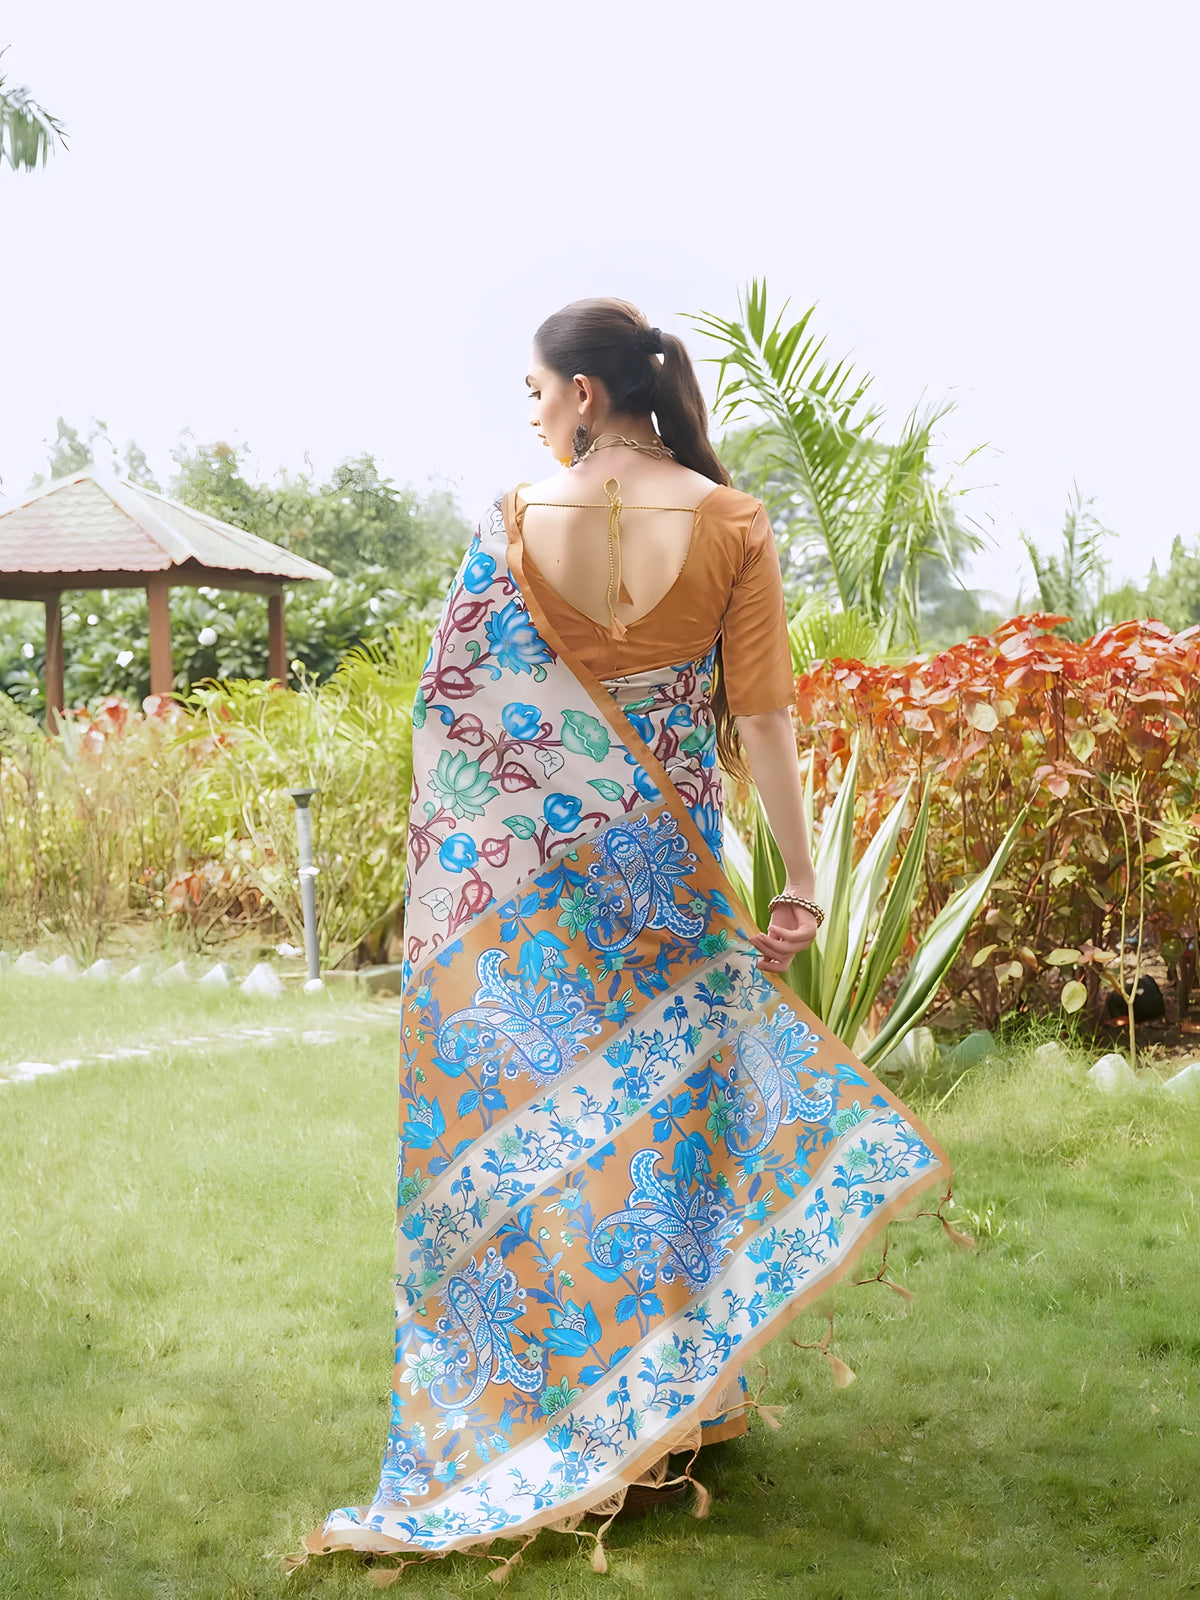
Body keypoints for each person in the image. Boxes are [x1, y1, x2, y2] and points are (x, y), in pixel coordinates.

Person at [298, 299, 948, 1582]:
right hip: (669, 863)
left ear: (587, 394)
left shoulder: (512, 526)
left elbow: (458, 718)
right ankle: (670, 1417)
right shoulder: (729, 521)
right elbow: (762, 718)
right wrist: (801, 880)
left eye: (537, 391)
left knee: (556, 1124)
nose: (531, 415)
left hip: (539, 883)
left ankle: (598, 1402)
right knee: (665, 1122)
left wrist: (466, 888)